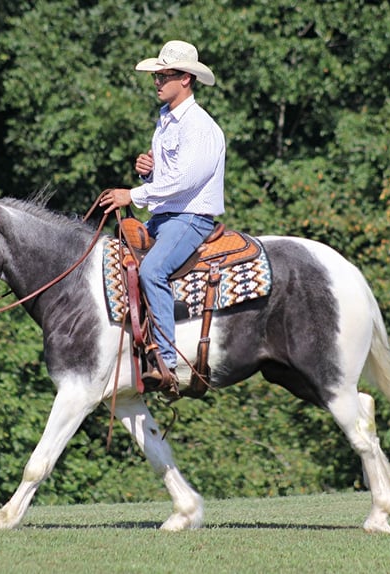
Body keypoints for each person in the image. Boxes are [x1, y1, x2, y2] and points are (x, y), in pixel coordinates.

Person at [100, 40, 226, 391]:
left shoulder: (199, 126)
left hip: (190, 218)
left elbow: (186, 181)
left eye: (164, 75)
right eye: (156, 75)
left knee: (153, 269)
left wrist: (133, 193)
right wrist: (147, 172)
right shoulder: (166, 120)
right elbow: (170, 178)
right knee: (116, 257)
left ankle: (167, 361)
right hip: (166, 215)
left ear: (185, 78)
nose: (156, 81)